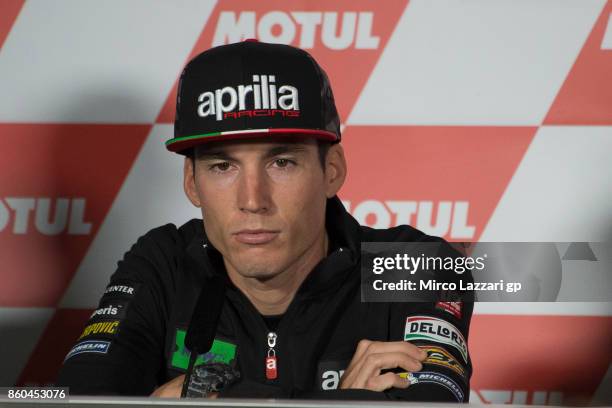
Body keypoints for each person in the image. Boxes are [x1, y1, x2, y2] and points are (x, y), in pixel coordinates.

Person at [56, 40, 473, 402]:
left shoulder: (417, 264)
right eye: (223, 167)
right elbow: (70, 401)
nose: (253, 200)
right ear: (192, 183)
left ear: (332, 171)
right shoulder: (163, 262)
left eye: (282, 161)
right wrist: (346, 401)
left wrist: (203, 394)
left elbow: (429, 403)